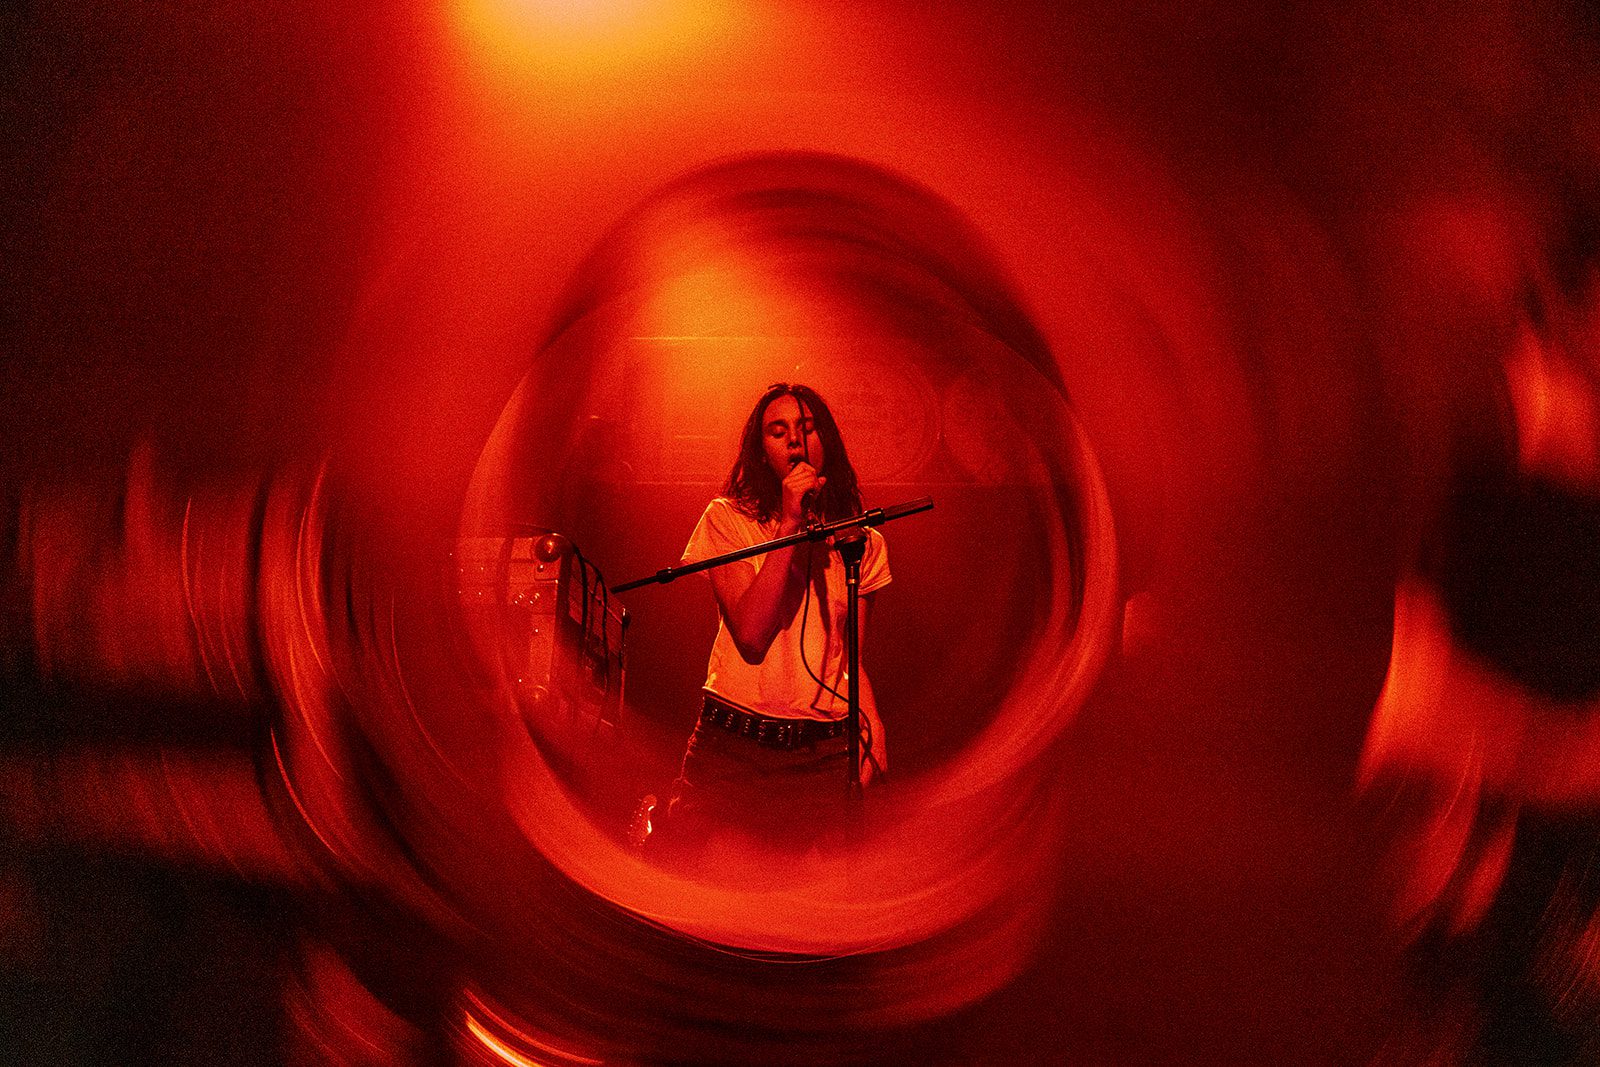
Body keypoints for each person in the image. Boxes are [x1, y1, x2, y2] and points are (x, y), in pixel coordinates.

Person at [660, 383, 890, 858]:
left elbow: (849, 656)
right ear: (762, 452)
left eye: (807, 428)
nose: (794, 441)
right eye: (778, 431)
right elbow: (751, 635)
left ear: (827, 441)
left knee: (819, 894)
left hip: (823, 754)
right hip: (735, 748)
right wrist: (789, 524)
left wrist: (874, 725)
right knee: (720, 884)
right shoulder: (727, 520)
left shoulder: (861, 543)